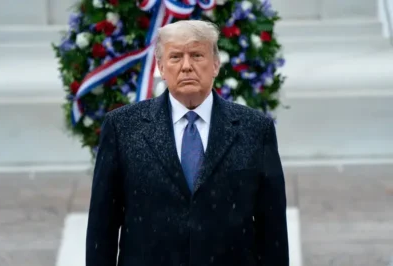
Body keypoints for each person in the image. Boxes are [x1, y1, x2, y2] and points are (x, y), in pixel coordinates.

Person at [86, 20, 289, 266]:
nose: (186, 67)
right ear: (160, 67)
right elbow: (102, 224)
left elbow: (273, 228)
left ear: (215, 64)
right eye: (175, 57)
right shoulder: (123, 128)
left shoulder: (255, 129)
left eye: (196, 55)